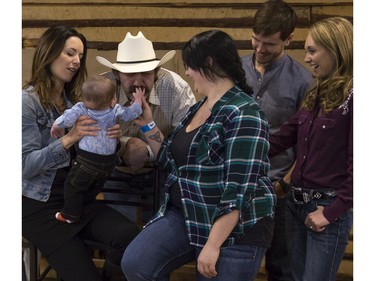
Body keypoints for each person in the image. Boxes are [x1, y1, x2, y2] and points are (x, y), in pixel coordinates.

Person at [121, 29, 276, 281]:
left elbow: (238, 188)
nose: (186, 72)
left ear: (209, 63)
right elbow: (172, 161)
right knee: (137, 262)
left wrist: (213, 245)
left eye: (189, 66)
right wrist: (148, 124)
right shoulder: (199, 107)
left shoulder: (244, 112)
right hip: (189, 213)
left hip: (233, 230)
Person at [22, 25, 139, 281]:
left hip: (74, 198)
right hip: (39, 205)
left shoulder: (74, 100)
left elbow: (91, 153)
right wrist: (69, 138)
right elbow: (24, 167)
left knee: (130, 237)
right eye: (70, 53)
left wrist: (112, 141)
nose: (76, 61)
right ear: (49, 53)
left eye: (79, 56)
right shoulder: (26, 102)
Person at [269, 17, 353, 281]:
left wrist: (331, 213)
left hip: (325, 207)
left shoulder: (356, 97)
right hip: (296, 204)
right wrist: (242, 145)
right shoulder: (314, 95)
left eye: (312, 50)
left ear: (336, 49)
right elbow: (283, 137)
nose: (306, 59)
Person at [240, 1, 314, 280]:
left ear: (289, 39)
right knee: (232, 260)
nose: (259, 50)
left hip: (277, 186)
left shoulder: (303, 81)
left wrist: (285, 184)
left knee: (281, 268)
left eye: (268, 44)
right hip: (238, 184)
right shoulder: (235, 69)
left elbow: (308, 143)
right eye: (256, 40)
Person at [96, 31, 196, 222]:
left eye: (146, 74)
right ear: (117, 75)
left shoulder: (176, 88)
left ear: (157, 74)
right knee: (121, 233)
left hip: (164, 174)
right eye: (130, 74)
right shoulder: (102, 89)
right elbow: (92, 138)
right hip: (115, 173)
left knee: (159, 234)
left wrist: (147, 152)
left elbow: (186, 147)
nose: (139, 82)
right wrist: (125, 145)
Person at [50, 75, 144, 223]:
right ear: (112, 100)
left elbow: (66, 118)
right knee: (94, 186)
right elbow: (132, 113)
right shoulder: (115, 109)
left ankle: (69, 215)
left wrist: (56, 125)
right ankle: (84, 207)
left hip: (87, 160)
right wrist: (138, 100)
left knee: (72, 185)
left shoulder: (81, 108)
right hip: (108, 162)